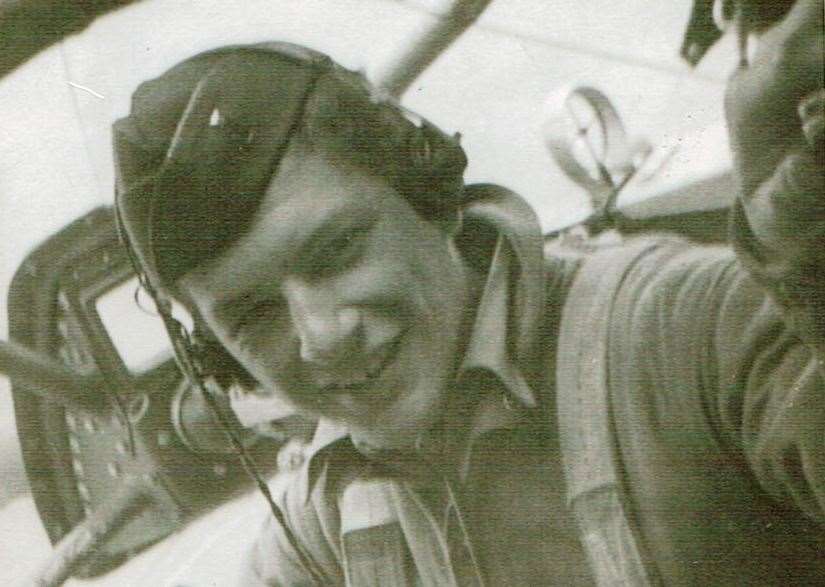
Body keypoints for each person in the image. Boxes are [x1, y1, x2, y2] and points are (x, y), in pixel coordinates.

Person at [113, 0, 823, 583]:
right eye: (253, 313)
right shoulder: (316, 541)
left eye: (336, 250)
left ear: (427, 193)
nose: (321, 334)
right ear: (219, 358)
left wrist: (808, 272)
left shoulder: (692, 330)